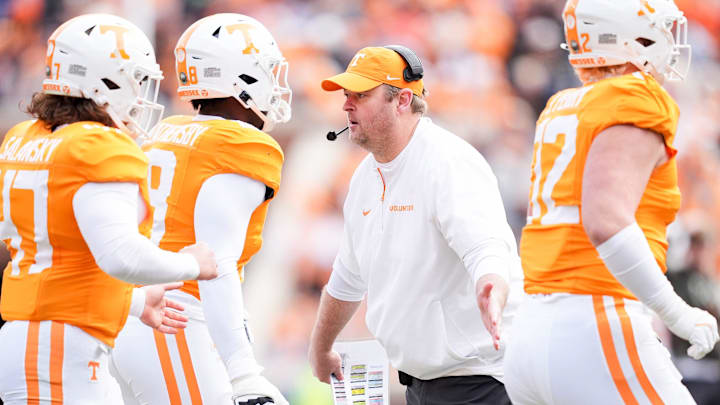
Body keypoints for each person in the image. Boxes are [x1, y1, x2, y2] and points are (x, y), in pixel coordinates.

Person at [503, 1, 720, 404]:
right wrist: (677, 312)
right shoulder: (635, 96)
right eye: (653, 32)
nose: (667, 42)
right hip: (594, 320)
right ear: (619, 39)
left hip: (531, 330)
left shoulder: (562, 104)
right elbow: (606, 221)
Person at [0, 13, 218, 404]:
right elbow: (118, 255)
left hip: (46, 341)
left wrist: (133, 301)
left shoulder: (26, 137)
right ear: (105, 80)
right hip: (57, 350)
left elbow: (60, 257)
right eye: (135, 79)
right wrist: (191, 265)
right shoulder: (97, 146)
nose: (141, 95)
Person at [308, 45, 523, 404]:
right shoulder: (364, 177)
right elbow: (347, 278)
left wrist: (492, 285)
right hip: (424, 384)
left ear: (403, 100)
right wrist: (320, 347)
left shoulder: (447, 161)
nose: (347, 105)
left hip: (479, 380)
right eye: (347, 95)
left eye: (361, 95)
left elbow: (486, 246)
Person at [110, 13, 290, 405]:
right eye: (267, 72)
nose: (275, 85)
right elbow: (217, 262)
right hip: (178, 320)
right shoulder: (238, 143)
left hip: (137, 314)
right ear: (240, 77)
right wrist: (243, 371)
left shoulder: (165, 130)